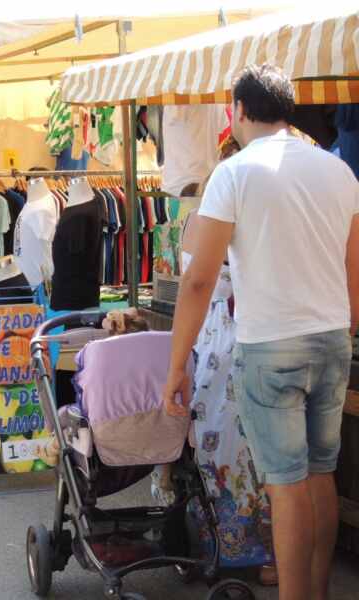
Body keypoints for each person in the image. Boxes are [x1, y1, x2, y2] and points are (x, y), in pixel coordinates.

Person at [163, 64, 359, 600]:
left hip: (272, 343)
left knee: (287, 485)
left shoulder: (234, 173)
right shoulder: (338, 170)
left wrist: (177, 364)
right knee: (320, 475)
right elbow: (354, 267)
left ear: (239, 112)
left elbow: (200, 280)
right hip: (332, 338)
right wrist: (344, 328)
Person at [176, 136, 276, 584]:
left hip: (217, 341)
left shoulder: (202, 218)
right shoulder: (265, 217)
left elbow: (193, 282)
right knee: (258, 451)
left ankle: (220, 546)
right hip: (250, 335)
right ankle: (266, 554)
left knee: (222, 446)